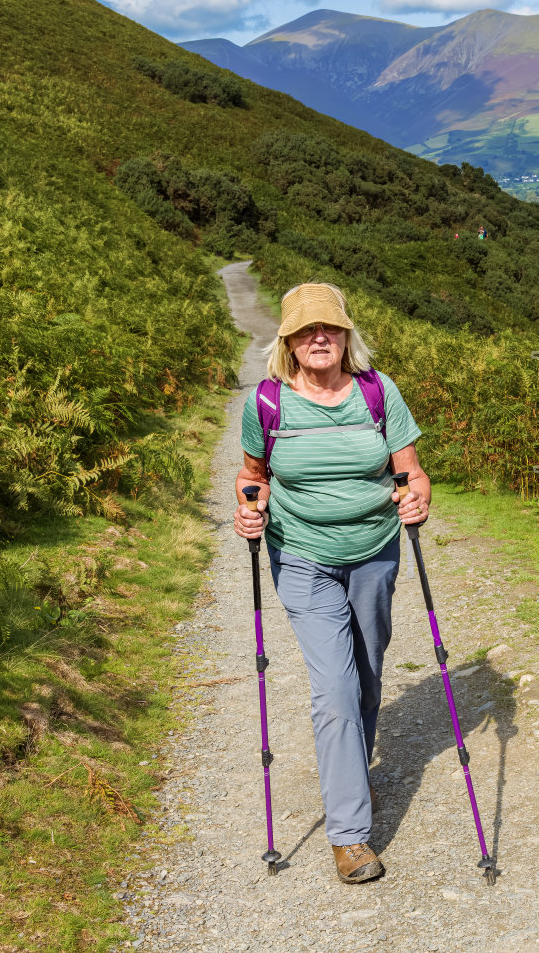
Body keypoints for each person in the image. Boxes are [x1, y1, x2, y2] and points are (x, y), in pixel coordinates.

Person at [233, 282, 431, 883]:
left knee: (367, 678)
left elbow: (411, 471)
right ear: (288, 341)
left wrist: (417, 497)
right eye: (306, 330)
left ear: (346, 336)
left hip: (374, 552)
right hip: (301, 556)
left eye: (330, 328)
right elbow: (252, 475)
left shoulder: (378, 392)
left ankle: (350, 770)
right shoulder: (268, 402)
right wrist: (249, 508)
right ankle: (350, 835)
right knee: (336, 689)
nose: (319, 338)